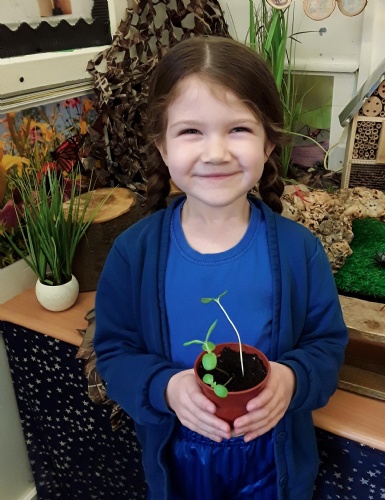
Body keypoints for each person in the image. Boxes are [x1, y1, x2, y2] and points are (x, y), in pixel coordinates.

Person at [94, 35, 348, 500]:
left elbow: (326, 345)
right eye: (191, 131)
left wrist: (292, 379)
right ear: (162, 146)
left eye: (239, 129)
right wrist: (165, 388)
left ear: (268, 143)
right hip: (179, 463)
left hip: (274, 464)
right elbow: (114, 352)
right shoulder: (134, 253)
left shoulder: (299, 252)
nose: (216, 152)